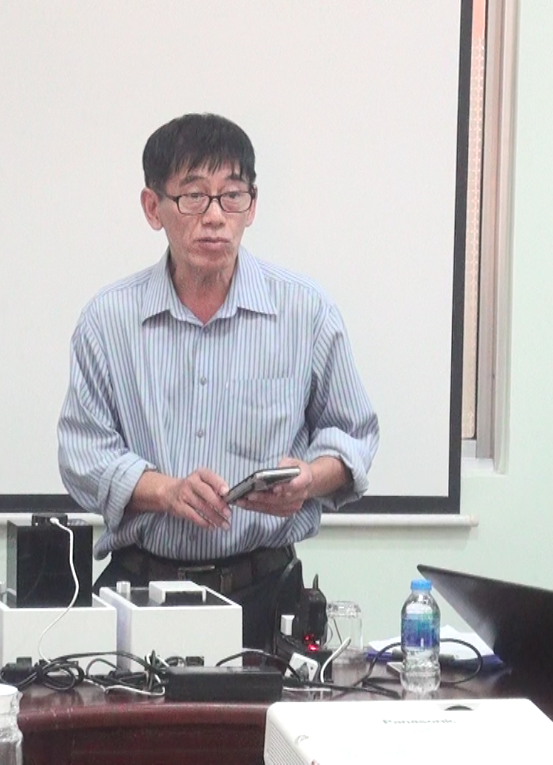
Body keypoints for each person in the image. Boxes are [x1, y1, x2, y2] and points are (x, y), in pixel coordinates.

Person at [58, 113, 379, 650]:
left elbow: (353, 437)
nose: (214, 217)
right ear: (152, 207)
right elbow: (82, 455)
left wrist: (308, 478)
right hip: (139, 591)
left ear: (251, 207)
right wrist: (166, 491)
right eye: (193, 197)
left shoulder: (305, 312)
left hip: (267, 594)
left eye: (231, 196)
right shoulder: (108, 320)